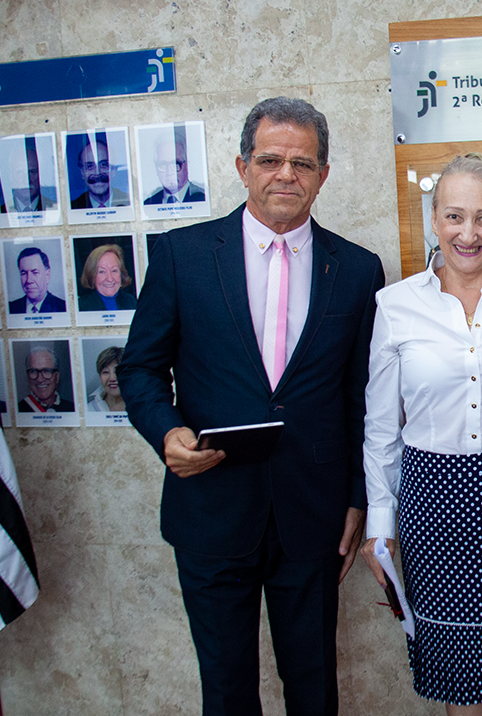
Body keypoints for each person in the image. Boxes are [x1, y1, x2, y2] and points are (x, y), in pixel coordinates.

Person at [120, 96, 384, 716]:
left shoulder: (358, 269)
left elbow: (360, 397)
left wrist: (356, 498)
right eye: (270, 159)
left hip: (314, 514)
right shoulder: (182, 257)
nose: (285, 174)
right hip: (212, 508)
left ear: (323, 173)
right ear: (242, 167)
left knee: (315, 689)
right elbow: (138, 369)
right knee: (227, 690)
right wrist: (167, 434)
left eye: (302, 162)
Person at [362, 153, 482, 715]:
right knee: (462, 687)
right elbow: (381, 430)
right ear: (433, 220)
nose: (467, 234)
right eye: (454, 217)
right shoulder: (395, 306)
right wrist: (381, 524)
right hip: (433, 504)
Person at [144, 136, 207, 205]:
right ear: (156, 168)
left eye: (176, 164)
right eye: (163, 164)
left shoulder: (203, 199)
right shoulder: (149, 204)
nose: (169, 172)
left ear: (187, 165)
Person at [70, 139, 130, 209]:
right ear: (82, 173)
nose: (98, 173)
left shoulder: (129, 202)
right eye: (90, 166)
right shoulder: (73, 207)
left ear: (113, 170)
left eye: (104, 165)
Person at [77, 243, 137, 312]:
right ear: (92, 275)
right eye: (102, 272)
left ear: (121, 274)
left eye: (114, 270)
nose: (110, 279)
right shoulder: (80, 308)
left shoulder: (132, 303)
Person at [8, 247, 66, 314]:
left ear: (47, 275)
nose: (28, 280)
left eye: (35, 272)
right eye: (23, 273)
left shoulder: (62, 308)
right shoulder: (11, 308)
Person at [17, 346, 74, 413]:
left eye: (46, 371)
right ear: (28, 377)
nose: (40, 379)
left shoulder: (72, 409)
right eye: (33, 371)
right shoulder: (18, 411)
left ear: (57, 377)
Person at [0, 145, 54, 213]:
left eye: (32, 172)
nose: (26, 181)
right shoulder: (0, 212)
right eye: (19, 172)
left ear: (40, 174)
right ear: (11, 176)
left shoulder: (54, 208)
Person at [86, 346, 126, 412]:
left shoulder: (143, 407)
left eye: (117, 372)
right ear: (100, 376)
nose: (112, 378)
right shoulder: (89, 409)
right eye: (105, 372)